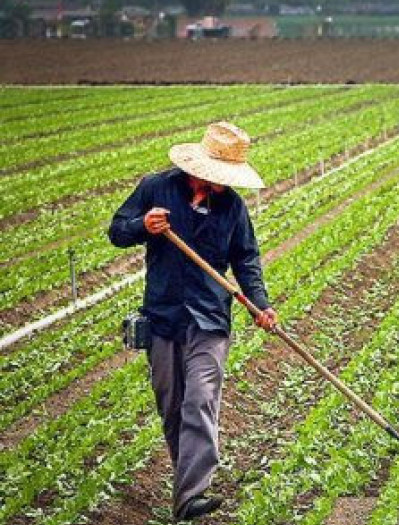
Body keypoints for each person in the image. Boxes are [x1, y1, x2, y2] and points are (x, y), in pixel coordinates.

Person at [108, 122, 278, 521]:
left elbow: (246, 260)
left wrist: (260, 304)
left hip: (210, 317)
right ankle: (186, 486)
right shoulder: (155, 188)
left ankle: (190, 497)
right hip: (164, 315)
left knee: (201, 400)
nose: (218, 185)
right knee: (173, 406)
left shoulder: (232, 207)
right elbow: (116, 231)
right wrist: (141, 227)